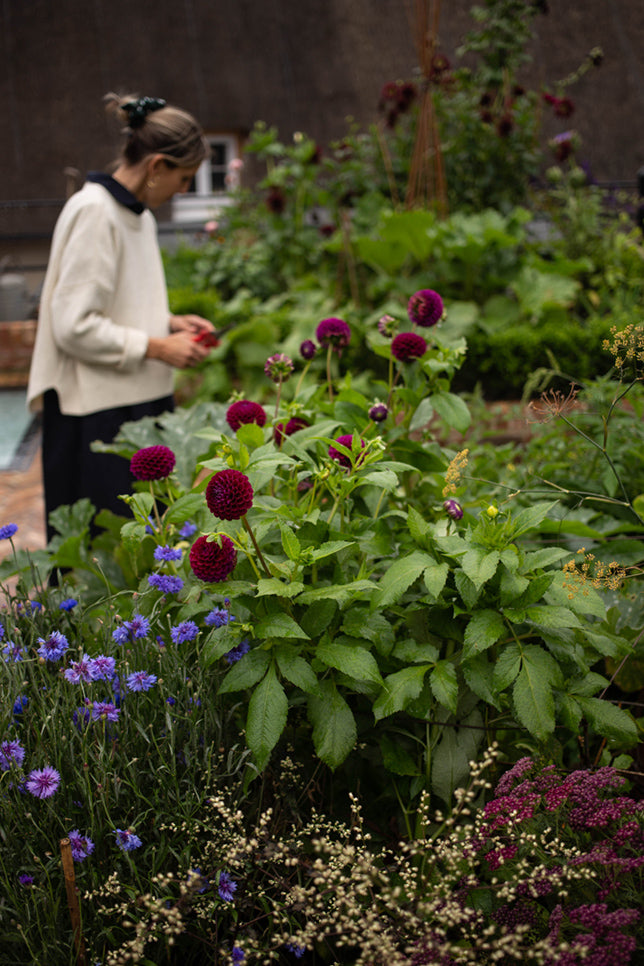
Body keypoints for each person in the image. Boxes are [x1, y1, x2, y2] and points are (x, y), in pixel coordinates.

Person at [27, 93, 216, 541]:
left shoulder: (138, 217)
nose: (185, 190)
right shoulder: (95, 212)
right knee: (102, 559)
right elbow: (72, 325)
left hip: (133, 401)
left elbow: (119, 303)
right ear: (156, 167)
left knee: (148, 551)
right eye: (184, 177)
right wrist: (156, 346)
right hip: (94, 417)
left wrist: (171, 323)